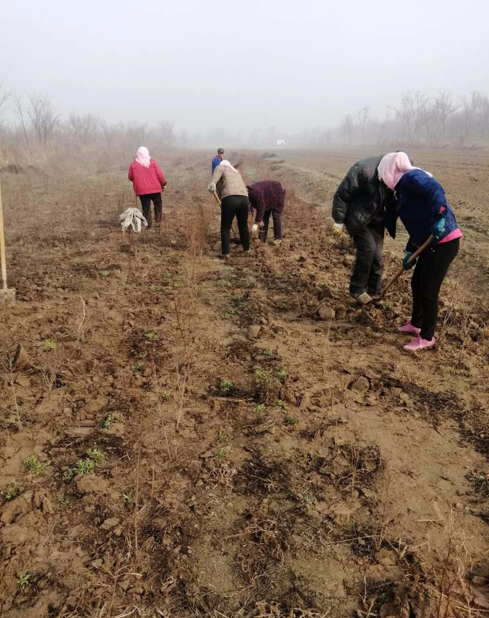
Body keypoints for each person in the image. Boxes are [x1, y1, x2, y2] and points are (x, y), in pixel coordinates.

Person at [378, 152, 462, 353]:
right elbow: (417, 224)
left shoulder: (411, 177)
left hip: (444, 240)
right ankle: (416, 324)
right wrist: (410, 251)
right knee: (417, 283)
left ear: (389, 171)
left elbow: (434, 189)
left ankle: (426, 336)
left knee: (429, 290)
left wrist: (440, 215)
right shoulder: (402, 191)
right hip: (429, 241)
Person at [332, 155, 398, 304]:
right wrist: (338, 220)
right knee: (368, 248)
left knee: (377, 256)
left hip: (376, 218)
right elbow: (343, 193)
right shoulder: (364, 170)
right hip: (357, 216)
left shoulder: (399, 176)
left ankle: (374, 293)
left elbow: (395, 203)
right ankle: (357, 289)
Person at [208, 160, 250, 258]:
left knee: (225, 227)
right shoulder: (236, 172)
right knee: (243, 226)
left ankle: (226, 253)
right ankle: (247, 249)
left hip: (230, 198)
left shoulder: (221, 167)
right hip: (244, 199)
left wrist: (213, 183)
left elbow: (215, 180)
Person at [128, 147, 167, 229]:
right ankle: (158, 220)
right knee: (158, 204)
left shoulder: (133, 164)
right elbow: (159, 175)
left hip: (142, 190)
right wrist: (163, 183)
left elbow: (130, 177)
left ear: (138, 154)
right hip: (155, 189)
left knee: (146, 208)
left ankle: (148, 225)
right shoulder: (152, 162)